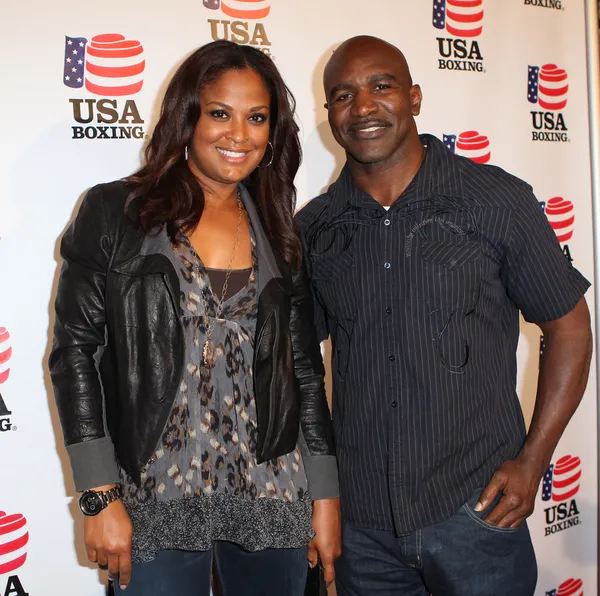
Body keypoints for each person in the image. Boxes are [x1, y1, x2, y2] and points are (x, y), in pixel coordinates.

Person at [296, 35, 592, 596]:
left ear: (414, 96)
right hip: (361, 530)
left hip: (476, 512)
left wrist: (532, 460)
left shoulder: (495, 200)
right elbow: (298, 368)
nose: (362, 106)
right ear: (329, 114)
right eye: (342, 95)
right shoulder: (315, 229)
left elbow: (569, 326)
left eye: (380, 86)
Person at [49, 39, 341, 596]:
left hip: (271, 489)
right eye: (219, 113)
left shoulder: (280, 231)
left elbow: (304, 369)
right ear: (188, 116)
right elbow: (75, 355)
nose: (239, 134)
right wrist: (99, 493)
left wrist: (325, 495)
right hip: (154, 490)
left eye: (257, 118)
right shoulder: (116, 213)